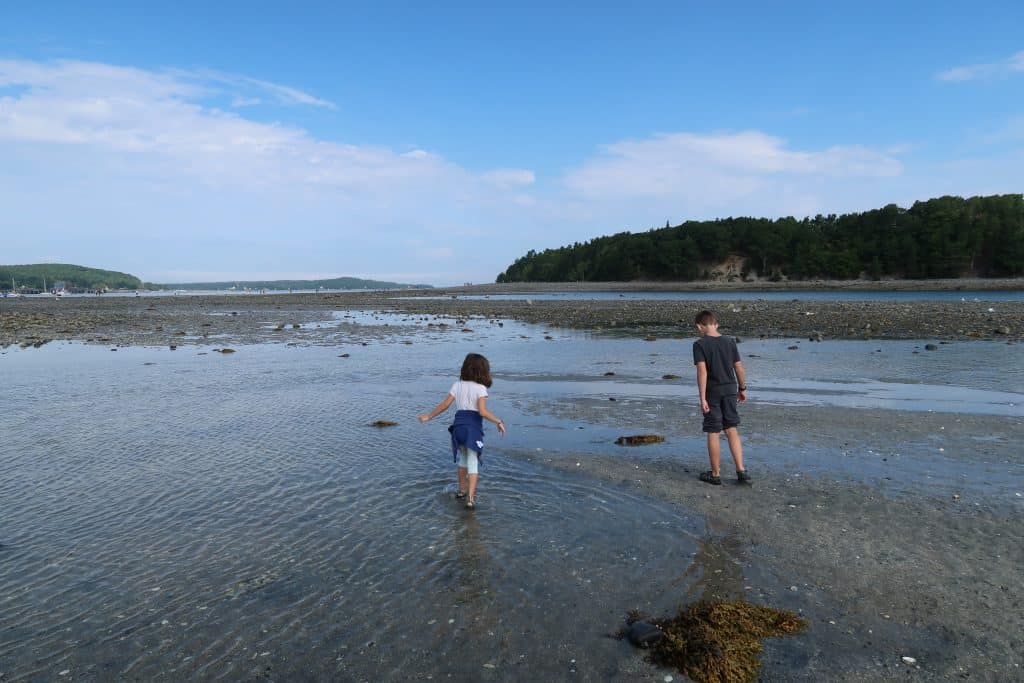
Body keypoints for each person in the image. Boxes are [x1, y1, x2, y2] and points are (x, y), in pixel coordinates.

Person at [419, 353, 507, 509]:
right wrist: (499, 421)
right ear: (482, 371)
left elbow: (445, 405)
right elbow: (482, 412)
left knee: (462, 460)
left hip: (458, 428)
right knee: (473, 462)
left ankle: (461, 491)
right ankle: (470, 499)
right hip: (472, 429)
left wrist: (429, 416)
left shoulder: (457, 385)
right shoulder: (481, 389)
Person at [692, 310, 750, 485]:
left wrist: (702, 398)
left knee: (713, 431)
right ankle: (741, 470)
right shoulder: (730, 342)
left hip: (713, 392)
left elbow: (702, 371)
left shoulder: (699, 344)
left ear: (699, 326)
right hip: (731, 389)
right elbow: (739, 368)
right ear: (716, 324)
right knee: (731, 429)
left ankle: (715, 474)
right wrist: (742, 388)